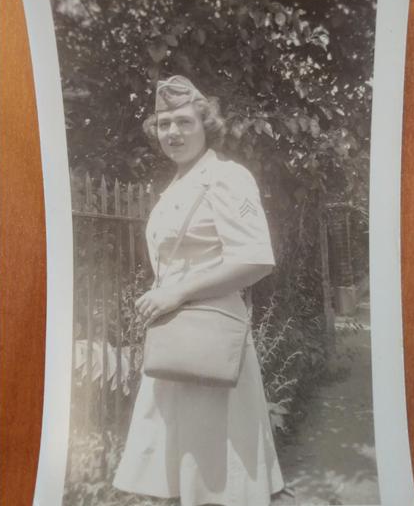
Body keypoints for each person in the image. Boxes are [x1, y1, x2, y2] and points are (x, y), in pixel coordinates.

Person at [112, 76, 285, 506]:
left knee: (217, 475)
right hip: (174, 342)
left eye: (185, 121)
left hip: (212, 343)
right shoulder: (175, 187)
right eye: (165, 123)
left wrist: (177, 293)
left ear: (206, 124)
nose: (174, 132)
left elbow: (256, 257)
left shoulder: (225, 178)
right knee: (179, 476)